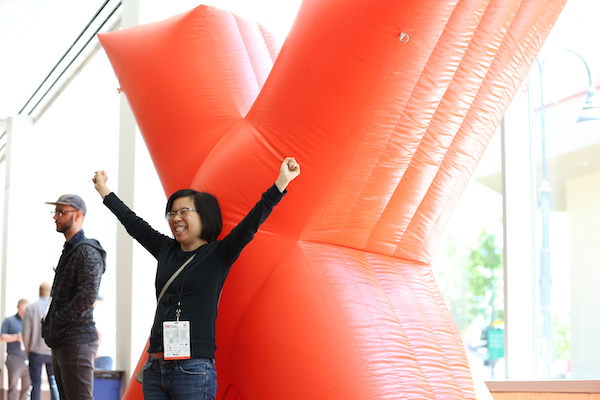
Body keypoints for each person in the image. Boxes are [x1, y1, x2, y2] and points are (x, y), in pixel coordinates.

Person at [92, 157, 300, 400]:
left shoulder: (218, 254)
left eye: (183, 211)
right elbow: (133, 223)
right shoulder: (165, 249)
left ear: (204, 216)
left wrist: (281, 182)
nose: (175, 218)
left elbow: (251, 223)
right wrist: (104, 191)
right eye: (171, 213)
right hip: (154, 369)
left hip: (192, 370)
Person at [43, 194, 106, 400]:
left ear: (78, 215)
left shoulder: (87, 251)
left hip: (77, 339)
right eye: (56, 212)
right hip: (64, 339)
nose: (56, 217)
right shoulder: (70, 251)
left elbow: (86, 297)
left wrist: (58, 321)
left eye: (62, 212)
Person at [22, 282, 59, 400]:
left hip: (35, 352)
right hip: (52, 351)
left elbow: (26, 333)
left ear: (39, 292)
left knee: (35, 384)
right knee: (54, 384)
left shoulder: (31, 308)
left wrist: (28, 351)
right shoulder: (55, 307)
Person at [1, 299, 31, 400]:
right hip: (14, 358)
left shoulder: (29, 322)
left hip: (28, 358)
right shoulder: (9, 320)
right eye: (22, 310)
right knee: (13, 387)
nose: (24, 313)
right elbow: (2, 337)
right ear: (18, 308)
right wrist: (17, 337)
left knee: (26, 389)